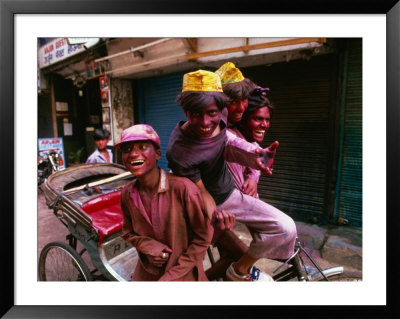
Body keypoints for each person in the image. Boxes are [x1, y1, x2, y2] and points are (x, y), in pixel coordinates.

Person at [166, 69, 297, 281]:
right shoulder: (179, 151)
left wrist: (255, 156)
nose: (206, 122)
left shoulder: (223, 116)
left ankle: (238, 271)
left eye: (212, 113)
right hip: (199, 209)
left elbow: (229, 142)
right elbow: (201, 194)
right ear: (185, 110)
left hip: (230, 196)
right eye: (196, 114)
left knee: (285, 228)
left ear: (221, 108)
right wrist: (214, 214)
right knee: (204, 263)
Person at [116, 124, 213, 281]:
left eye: (142, 147)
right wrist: (150, 248)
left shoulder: (183, 189)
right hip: (147, 272)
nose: (133, 154)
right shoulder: (127, 193)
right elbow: (128, 233)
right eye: (127, 150)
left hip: (183, 273)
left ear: (157, 154)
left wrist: (171, 277)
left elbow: (203, 238)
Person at [216, 62, 259, 197]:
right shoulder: (209, 132)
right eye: (234, 101)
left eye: (244, 99)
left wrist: (253, 178)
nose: (241, 108)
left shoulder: (239, 127)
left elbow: (253, 149)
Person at [226, 87, 272, 198]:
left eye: (267, 120)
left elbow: (263, 158)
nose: (264, 125)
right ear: (242, 121)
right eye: (258, 119)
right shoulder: (226, 136)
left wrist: (253, 178)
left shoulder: (254, 144)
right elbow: (238, 145)